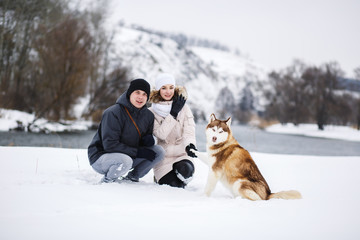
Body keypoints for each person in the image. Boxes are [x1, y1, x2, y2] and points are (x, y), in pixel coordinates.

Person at [88, 78, 165, 183]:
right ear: (130, 93)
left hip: (128, 156)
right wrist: (138, 152)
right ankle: (108, 181)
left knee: (159, 151)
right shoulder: (113, 113)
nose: (140, 97)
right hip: (102, 157)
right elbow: (110, 145)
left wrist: (149, 140)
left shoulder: (148, 116)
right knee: (125, 160)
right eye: (137, 92)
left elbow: (145, 142)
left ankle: (133, 177)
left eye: (144, 94)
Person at [149, 73, 197, 188]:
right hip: (163, 159)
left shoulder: (184, 108)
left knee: (186, 171)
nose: (168, 91)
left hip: (181, 154)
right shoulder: (151, 112)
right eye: (164, 88)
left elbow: (189, 131)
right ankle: (159, 177)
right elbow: (160, 135)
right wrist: (173, 114)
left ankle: (182, 176)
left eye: (171, 87)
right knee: (175, 186)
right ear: (158, 90)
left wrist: (190, 145)